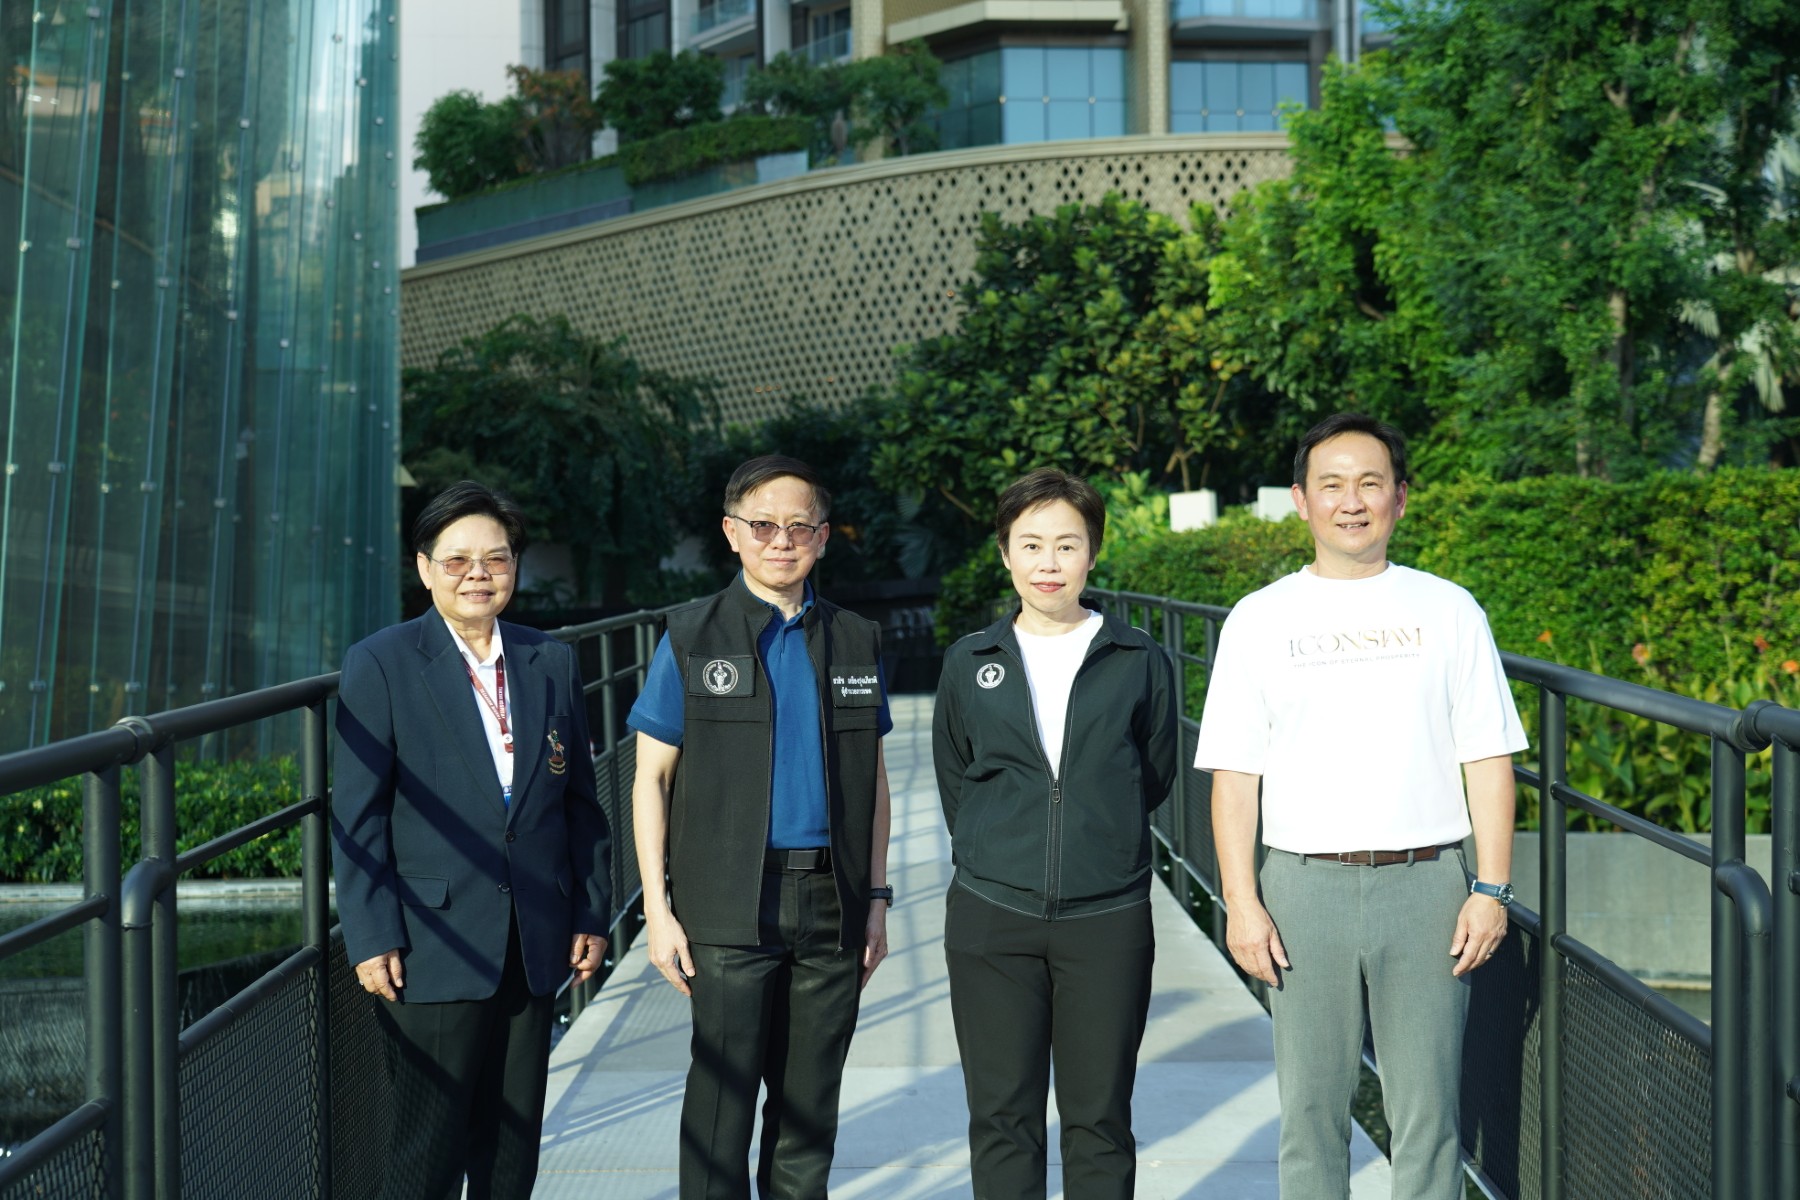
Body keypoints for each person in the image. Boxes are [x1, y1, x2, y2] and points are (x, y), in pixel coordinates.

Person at [1195, 413, 1527, 1200]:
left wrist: (1491, 888)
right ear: (1301, 501)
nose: (1353, 502)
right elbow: (1235, 779)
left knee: (1430, 1117)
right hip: (1302, 890)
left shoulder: (1449, 610)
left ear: (1400, 498)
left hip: (1430, 889)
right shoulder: (1259, 618)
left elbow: (1488, 758)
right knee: (1310, 1115)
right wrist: (1242, 903)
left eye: (1370, 484)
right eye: (1332, 485)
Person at [331, 480, 613, 1200]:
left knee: (512, 1147)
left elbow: (581, 803)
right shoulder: (382, 662)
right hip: (431, 942)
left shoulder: (549, 660)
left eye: (496, 558)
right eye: (457, 560)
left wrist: (589, 910)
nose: (478, 575)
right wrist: (372, 935)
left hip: (535, 936)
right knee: (425, 1149)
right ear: (424, 568)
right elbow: (358, 814)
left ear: (514, 565)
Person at [627, 454, 894, 1200]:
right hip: (726, 905)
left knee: (809, 1112)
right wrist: (658, 911)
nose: (782, 540)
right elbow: (650, 779)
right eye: (763, 525)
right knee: (721, 1106)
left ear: (823, 536)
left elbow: (874, 781)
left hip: (833, 903)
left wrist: (876, 899)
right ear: (731, 532)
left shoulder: (856, 639)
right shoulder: (690, 636)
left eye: (800, 526)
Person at [932, 468, 1178, 1199]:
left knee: (1100, 1119)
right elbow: (958, 777)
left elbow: (1153, 773)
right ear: (1005, 553)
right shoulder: (969, 660)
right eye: (1031, 544)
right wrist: (1001, 847)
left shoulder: (1138, 658)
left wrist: (1095, 838)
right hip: (991, 913)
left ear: (1092, 554)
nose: (1049, 563)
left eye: (1067, 545)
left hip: (1107, 915)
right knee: (1002, 1117)